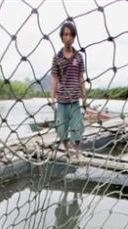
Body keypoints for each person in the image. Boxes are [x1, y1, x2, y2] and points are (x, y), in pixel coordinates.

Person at [51, 21, 86, 161]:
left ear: (74, 37)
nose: (68, 37)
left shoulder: (79, 57)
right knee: (62, 128)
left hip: (75, 100)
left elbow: (81, 76)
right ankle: (67, 151)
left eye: (71, 35)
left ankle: (77, 153)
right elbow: (54, 78)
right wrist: (52, 97)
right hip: (62, 100)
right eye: (65, 34)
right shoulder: (57, 58)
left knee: (77, 127)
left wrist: (84, 96)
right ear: (61, 37)